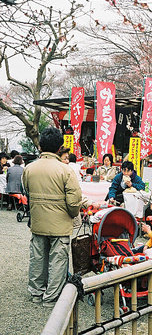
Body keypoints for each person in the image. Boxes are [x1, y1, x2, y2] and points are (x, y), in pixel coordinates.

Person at [23, 127, 82, 308]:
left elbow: (28, 194)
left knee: (38, 257)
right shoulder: (66, 171)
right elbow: (74, 202)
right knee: (58, 260)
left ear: (41, 146)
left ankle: (36, 293)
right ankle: (51, 298)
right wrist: (72, 215)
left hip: (39, 221)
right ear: (59, 148)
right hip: (60, 224)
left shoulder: (29, 168)